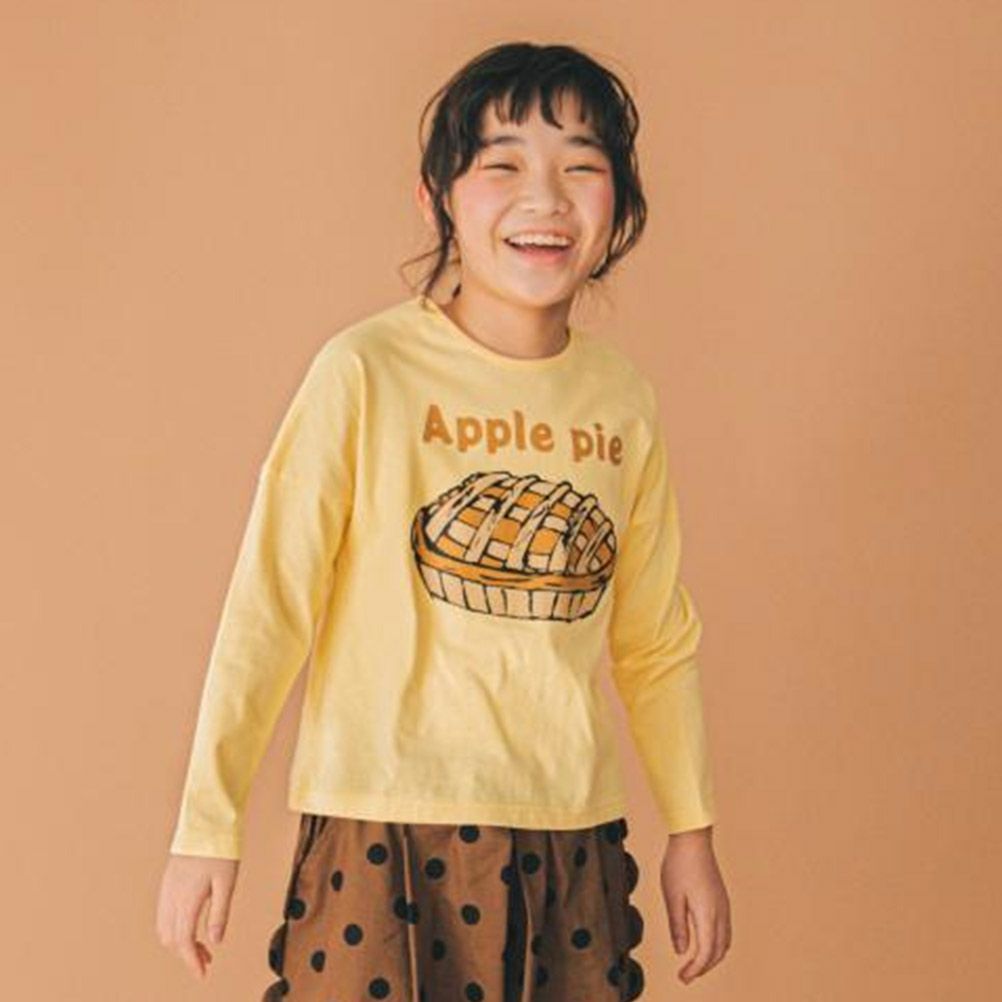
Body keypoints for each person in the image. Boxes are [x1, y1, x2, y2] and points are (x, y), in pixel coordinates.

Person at [156, 41, 732, 1000]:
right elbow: (270, 607)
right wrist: (206, 828)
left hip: (570, 834)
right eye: (502, 165)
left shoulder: (621, 401)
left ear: (620, 204)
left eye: (580, 167)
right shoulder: (365, 372)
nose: (544, 199)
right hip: (379, 825)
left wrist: (691, 832)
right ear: (437, 201)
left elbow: (654, 638)